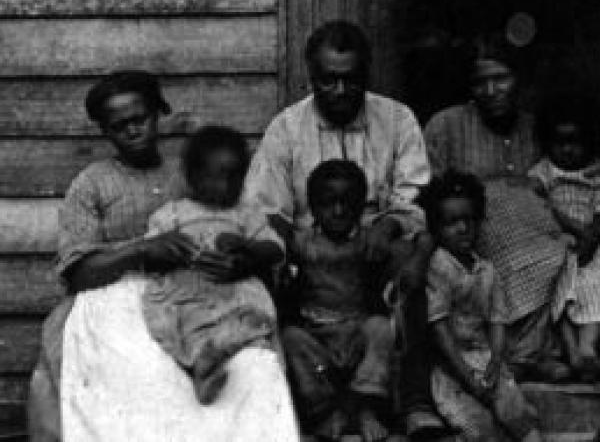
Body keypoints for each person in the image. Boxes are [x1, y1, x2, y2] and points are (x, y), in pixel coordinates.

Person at [28, 71, 299, 442]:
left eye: (140, 119)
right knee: (142, 367)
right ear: (105, 131)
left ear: (159, 114)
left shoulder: (192, 170)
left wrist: (241, 260)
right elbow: (77, 272)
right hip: (118, 296)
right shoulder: (91, 183)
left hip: (202, 288)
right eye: (118, 126)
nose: (132, 131)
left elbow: (242, 224)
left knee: (251, 363)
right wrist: (140, 249)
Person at [245, 20, 444, 437]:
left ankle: (413, 401)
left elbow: (414, 194)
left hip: (376, 245)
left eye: (350, 80)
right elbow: (268, 208)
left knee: (419, 266)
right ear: (311, 76)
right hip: (310, 252)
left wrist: (388, 224)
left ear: (365, 74)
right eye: (328, 80)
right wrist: (286, 252)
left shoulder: (397, 119)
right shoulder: (286, 129)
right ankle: (308, 409)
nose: (339, 91)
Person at [424, 39, 570, 382]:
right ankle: (519, 356)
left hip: (535, 230)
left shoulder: (536, 129)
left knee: (561, 253)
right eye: (480, 82)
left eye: (501, 78)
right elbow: (431, 194)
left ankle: (533, 353)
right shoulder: (446, 126)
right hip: (475, 234)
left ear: (521, 80)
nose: (490, 90)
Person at [142, 125, 284, 403]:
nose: (227, 186)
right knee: (185, 325)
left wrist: (247, 247)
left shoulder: (247, 214)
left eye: (235, 178)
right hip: (188, 290)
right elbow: (151, 253)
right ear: (194, 177)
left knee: (256, 323)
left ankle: (214, 356)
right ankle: (202, 368)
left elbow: (274, 249)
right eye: (217, 177)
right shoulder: (172, 214)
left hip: (235, 290)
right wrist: (170, 248)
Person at [421, 170, 544, 442]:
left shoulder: (486, 269)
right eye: (451, 222)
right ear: (437, 228)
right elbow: (440, 331)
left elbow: (496, 320)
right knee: (478, 427)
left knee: (518, 415)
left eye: (469, 220)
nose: (463, 229)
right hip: (450, 367)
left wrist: (496, 360)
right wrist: (467, 377)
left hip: (485, 358)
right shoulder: (439, 267)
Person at [283, 160, 399, 442]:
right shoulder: (302, 243)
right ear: (312, 206)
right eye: (328, 203)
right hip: (317, 336)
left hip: (356, 331)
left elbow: (400, 249)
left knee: (382, 329)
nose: (338, 211)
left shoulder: (368, 241)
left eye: (348, 203)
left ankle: (365, 409)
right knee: (290, 338)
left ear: (362, 205)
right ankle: (325, 413)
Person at [528, 91, 600, 382]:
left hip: (594, 247)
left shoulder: (596, 172)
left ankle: (587, 346)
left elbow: (598, 219)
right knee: (558, 286)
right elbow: (534, 200)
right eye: (561, 143)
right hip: (560, 244)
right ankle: (572, 350)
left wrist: (589, 241)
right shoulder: (545, 171)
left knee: (594, 284)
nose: (568, 150)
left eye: (576, 142)